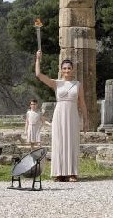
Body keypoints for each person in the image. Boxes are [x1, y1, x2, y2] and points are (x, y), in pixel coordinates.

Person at [35, 50, 88, 182]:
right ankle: (59, 173)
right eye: (64, 68)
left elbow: (82, 103)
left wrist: (86, 120)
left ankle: (72, 173)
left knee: (72, 142)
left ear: (73, 70)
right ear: (61, 70)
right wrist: (38, 59)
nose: (67, 70)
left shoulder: (77, 84)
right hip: (59, 114)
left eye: (69, 68)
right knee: (59, 142)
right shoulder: (56, 83)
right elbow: (38, 75)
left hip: (72, 114)